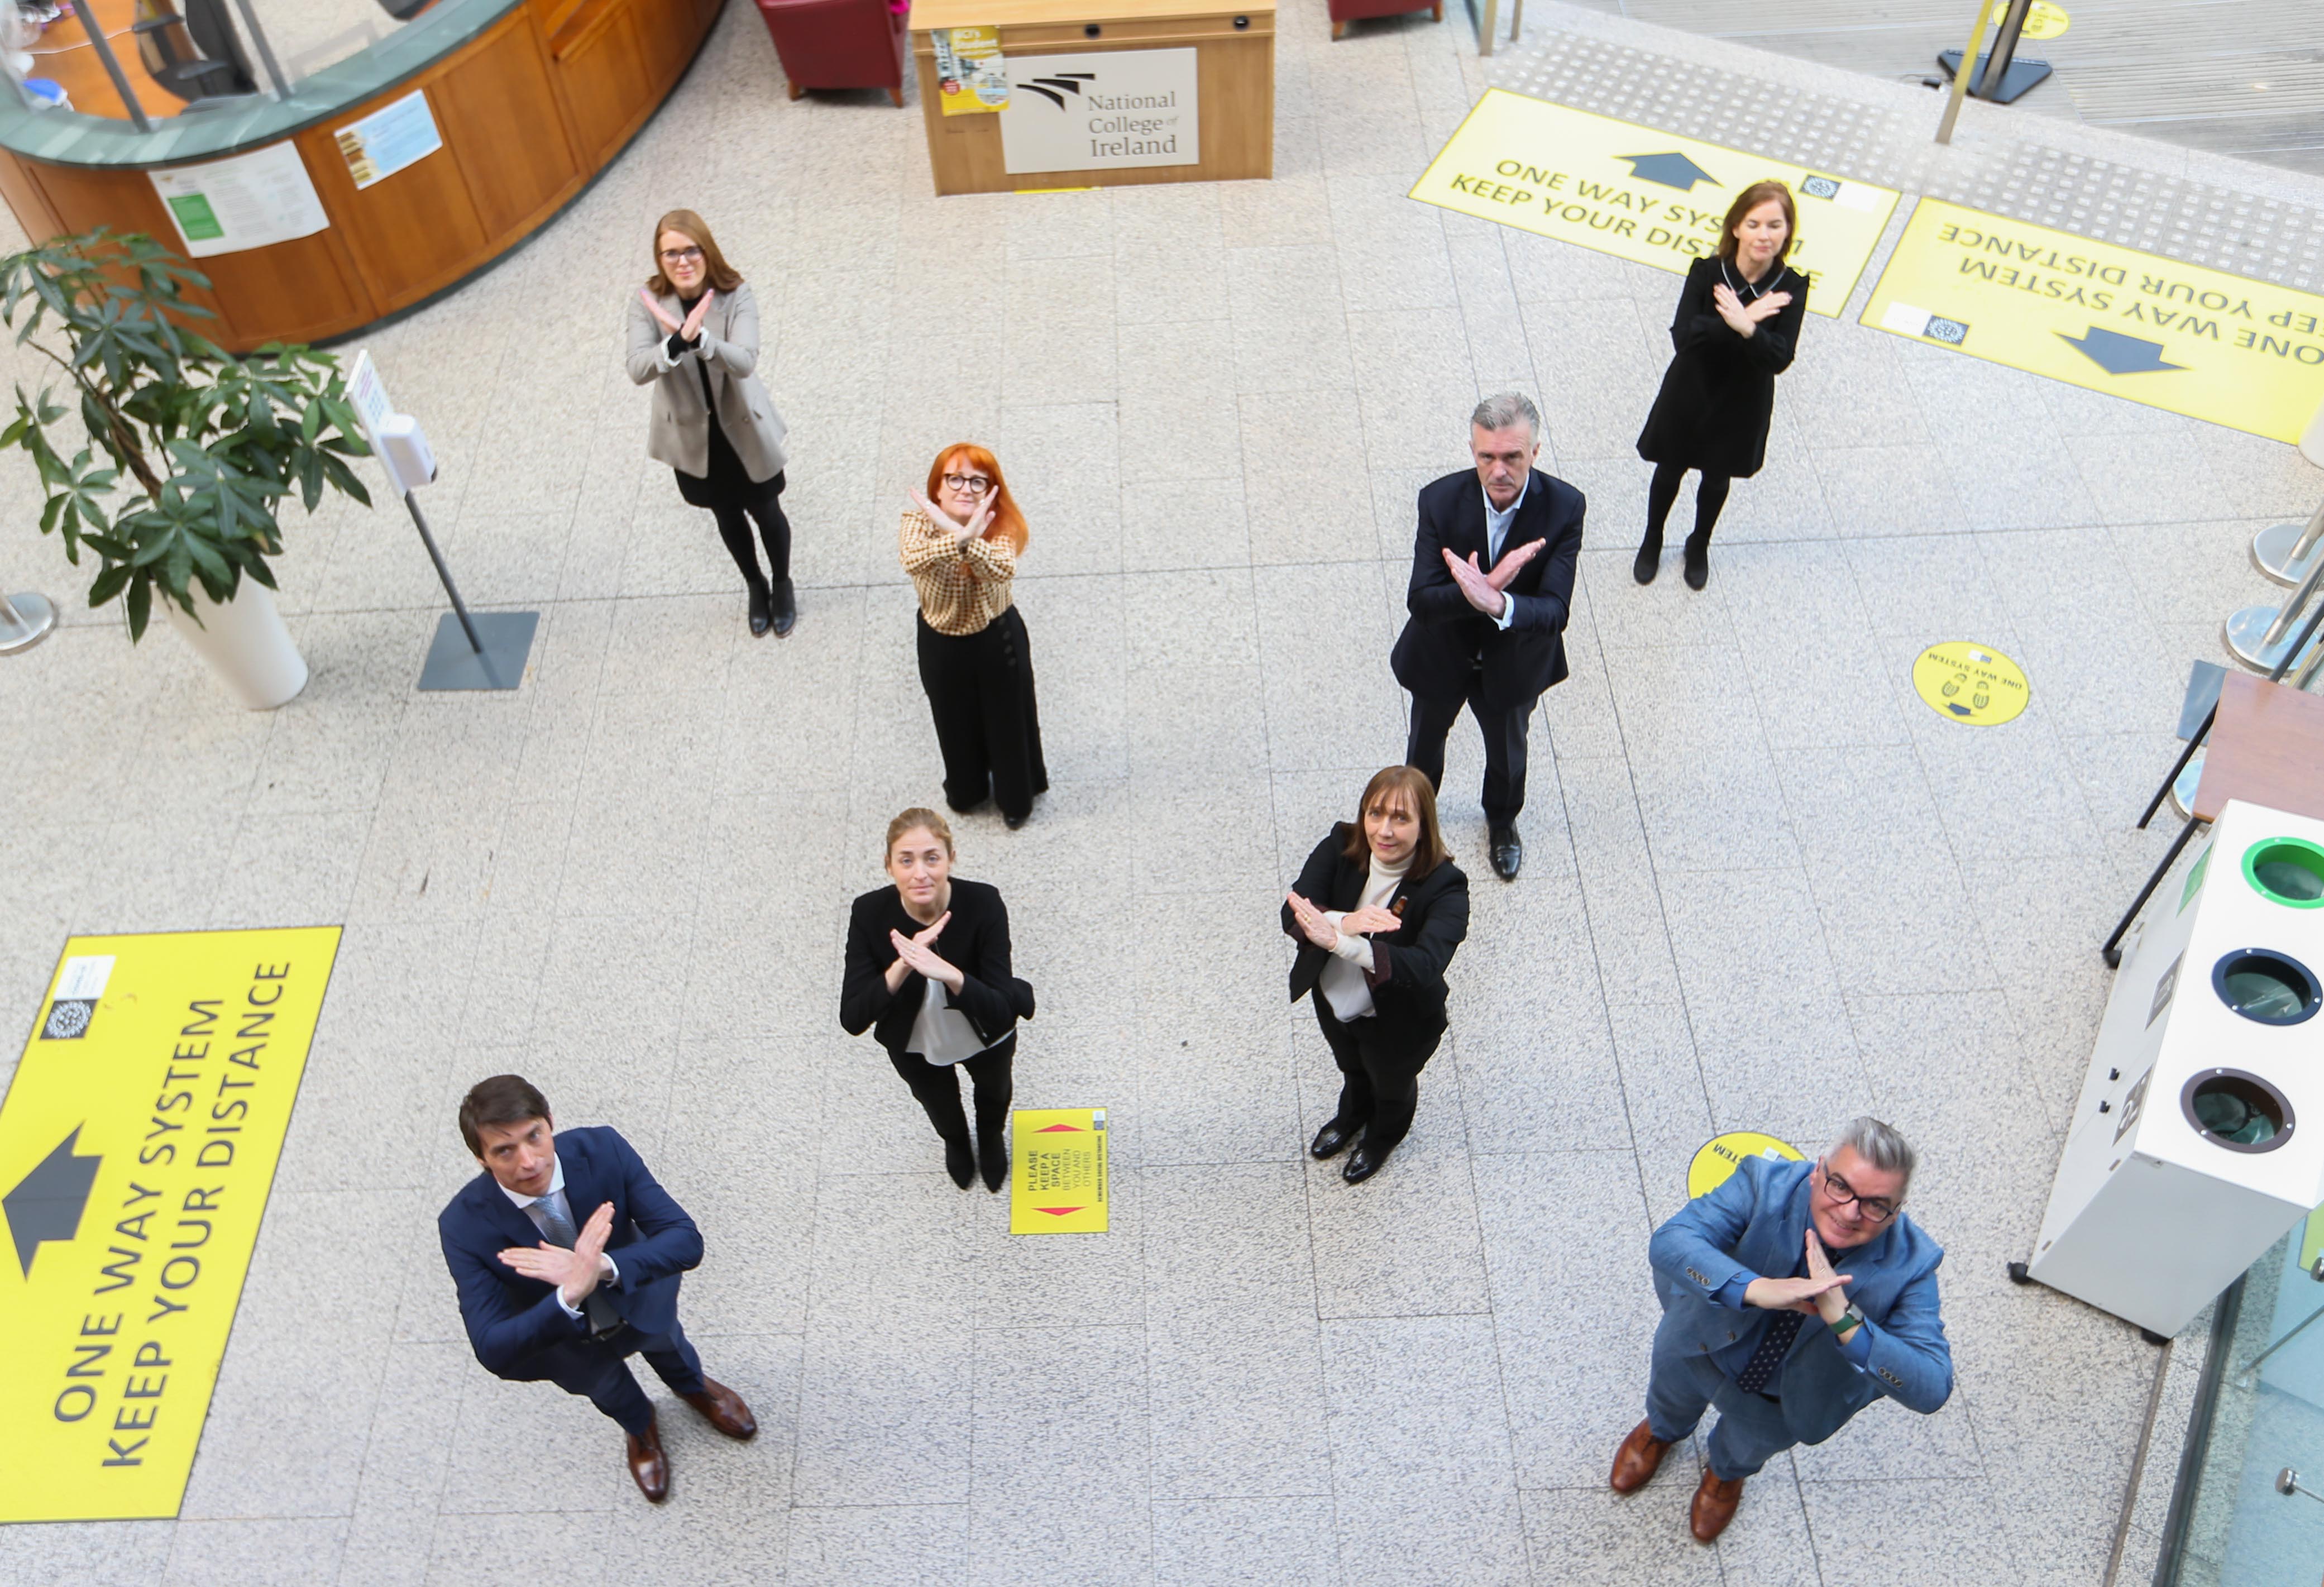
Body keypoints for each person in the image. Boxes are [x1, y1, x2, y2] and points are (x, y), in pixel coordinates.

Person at [1611, 1117, 1953, 1543]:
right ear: (1819, 1169)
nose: (1850, 1212)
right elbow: (1672, 1241)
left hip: (1780, 1400)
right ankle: (1661, 1433)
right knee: (1669, 1398)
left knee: (1746, 1449)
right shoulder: (1762, 1182)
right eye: (1840, 1186)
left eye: (1876, 1204)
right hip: (1699, 1346)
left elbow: (1932, 1385)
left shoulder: (1915, 1264)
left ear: (1896, 1211)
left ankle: (1724, 1476)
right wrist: (1757, 1288)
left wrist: (1844, 1318)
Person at [437, 1074, 758, 1503]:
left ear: (550, 1122)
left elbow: (684, 1239)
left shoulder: (602, 1149)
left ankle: (693, 1387)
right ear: (482, 1160)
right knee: (609, 1390)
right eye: (505, 1151)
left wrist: (602, 1267)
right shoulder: (462, 1225)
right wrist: (569, 1293)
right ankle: (640, 1427)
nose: (529, 1161)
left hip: (637, 1298)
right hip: (566, 1340)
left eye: (535, 1136)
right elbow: (491, 1345)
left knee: (670, 1346)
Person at [1389, 393, 1585, 882]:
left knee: (1508, 754)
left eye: (1513, 457)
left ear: (1535, 453)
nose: (1499, 470)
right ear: (1473, 451)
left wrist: (1500, 603)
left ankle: (1501, 822)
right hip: (1441, 657)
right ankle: (1418, 826)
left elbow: (1555, 611)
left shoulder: (1565, 507)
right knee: (1424, 747)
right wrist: (1479, 591)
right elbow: (1423, 601)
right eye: (1487, 457)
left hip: (1514, 663)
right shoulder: (1438, 499)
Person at [1281, 766, 1471, 1184]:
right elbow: (1293, 911)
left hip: (1399, 1019)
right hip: (1334, 999)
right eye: (1375, 813)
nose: (1383, 831)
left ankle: (1382, 1138)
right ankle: (1350, 1117)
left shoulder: (1447, 887)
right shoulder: (1340, 843)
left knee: (1391, 1086)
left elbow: (1424, 966)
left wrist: (1339, 941)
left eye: (1401, 818)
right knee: (1351, 1067)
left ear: (1424, 826)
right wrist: (1346, 922)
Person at [841, 807, 1035, 1191]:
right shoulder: (868, 913)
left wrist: (950, 973)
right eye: (906, 860)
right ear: (889, 865)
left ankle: (991, 1138)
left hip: (985, 1032)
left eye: (932, 858)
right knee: (939, 1104)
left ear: (951, 858)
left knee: (994, 1093)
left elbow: (999, 1011)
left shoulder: (984, 903)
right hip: (915, 1042)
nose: (920, 873)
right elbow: (853, 1017)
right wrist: (904, 964)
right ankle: (958, 1142)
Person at [626, 208, 797, 636]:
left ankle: (782, 582)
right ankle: (755, 586)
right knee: (725, 514)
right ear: (659, 258)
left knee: (766, 509)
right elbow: (637, 367)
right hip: (692, 434)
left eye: (691, 250)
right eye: (670, 254)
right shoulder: (646, 302)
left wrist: (700, 340)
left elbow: (744, 362)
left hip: (742, 426)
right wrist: (673, 343)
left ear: (707, 251)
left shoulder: (735, 294)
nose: (682, 261)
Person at [1633, 181, 1808, 591]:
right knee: (1670, 468)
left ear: (1787, 232)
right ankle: (1653, 537)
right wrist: (1746, 321)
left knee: (1716, 477)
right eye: (1754, 223)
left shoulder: (1792, 287)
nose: (1764, 234)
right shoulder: (1707, 272)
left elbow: (1780, 358)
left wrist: (1746, 327)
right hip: (1691, 391)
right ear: (1736, 228)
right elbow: (1684, 339)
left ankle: (1699, 544)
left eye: (1775, 225)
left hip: (1742, 401)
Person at [901, 446, 1047, 828]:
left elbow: (1001, 569)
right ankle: (967, 790)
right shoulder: (916, 523)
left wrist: (960, 534)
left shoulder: (1004, 526)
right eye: (955, 478)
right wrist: (962, 537)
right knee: (951, 719)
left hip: (996, 637)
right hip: (941, 640)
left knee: (1009, 718)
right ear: (938, 487)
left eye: (977, 481)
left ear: (991, 489)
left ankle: (1016, 798)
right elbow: (913, 559)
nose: (965, 488)